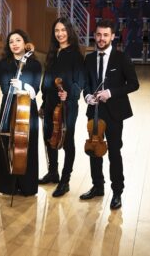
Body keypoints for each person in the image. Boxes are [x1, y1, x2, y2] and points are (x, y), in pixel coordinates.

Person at [80, 19, 139, 209]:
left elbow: (133, 84)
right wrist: (88, 95)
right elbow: (87, 83)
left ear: (112, 36)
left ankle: (117, 192)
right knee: (94, 149)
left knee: (114, 152)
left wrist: (110, 93)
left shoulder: (121, 58)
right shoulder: (88, 58)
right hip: (94, 111)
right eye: (98, 34)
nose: (101, 38)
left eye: (106, 35)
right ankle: (97, 186)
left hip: (114, 112)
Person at [39, 17, 86, 197]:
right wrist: (44, 102)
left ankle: (65, 181)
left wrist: (70, 94)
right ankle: (53, 172)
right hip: (50, 101)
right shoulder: (53, 52)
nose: (60, 34)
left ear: (69, 32)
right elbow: (47, 80)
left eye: (63, 30)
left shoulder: (75, 54)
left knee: (67, 140)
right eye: (57, 31)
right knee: (50, 137)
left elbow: (79, 81)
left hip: (68, 104)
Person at [0, 29, 41, 196]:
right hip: (9, 107)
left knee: (27, 145)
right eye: (11, 42)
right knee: (7, 144)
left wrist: (22, 87)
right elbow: (3, 86)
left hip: (27, 109)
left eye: (18, 40)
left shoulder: (35, 65)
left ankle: (27, 185)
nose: (14, 44)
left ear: (25, 43)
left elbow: (35, 89)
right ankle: (8, 186)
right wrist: (12, 89)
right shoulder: (4, 64)